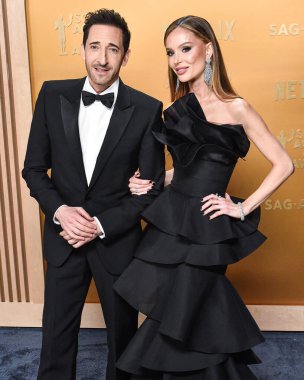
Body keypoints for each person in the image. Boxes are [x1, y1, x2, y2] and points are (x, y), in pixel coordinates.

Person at [114, 15, 294, 379]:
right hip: (172, 221)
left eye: (185, 48)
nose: (177, 59)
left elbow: (284, 163)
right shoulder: (178, 110)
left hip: (208, 226)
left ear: (208, 49)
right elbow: (184, 171)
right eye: (170, 52)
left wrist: (242, 207)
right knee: (187, 312)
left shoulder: (237, 107)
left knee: (181, 311)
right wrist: (149, 182)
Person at [22, 8, 164, 380]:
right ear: (83, 49)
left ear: (125, 55)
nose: (102, 58)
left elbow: (147, 192)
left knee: (123, 344)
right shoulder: (52, 95)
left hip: (116, 241)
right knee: (55, 340)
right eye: (95, 46)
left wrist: (99, 224)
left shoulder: (148, 110)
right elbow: (34, 170)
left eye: (113, 49)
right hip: (62, 236)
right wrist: (61, 213)